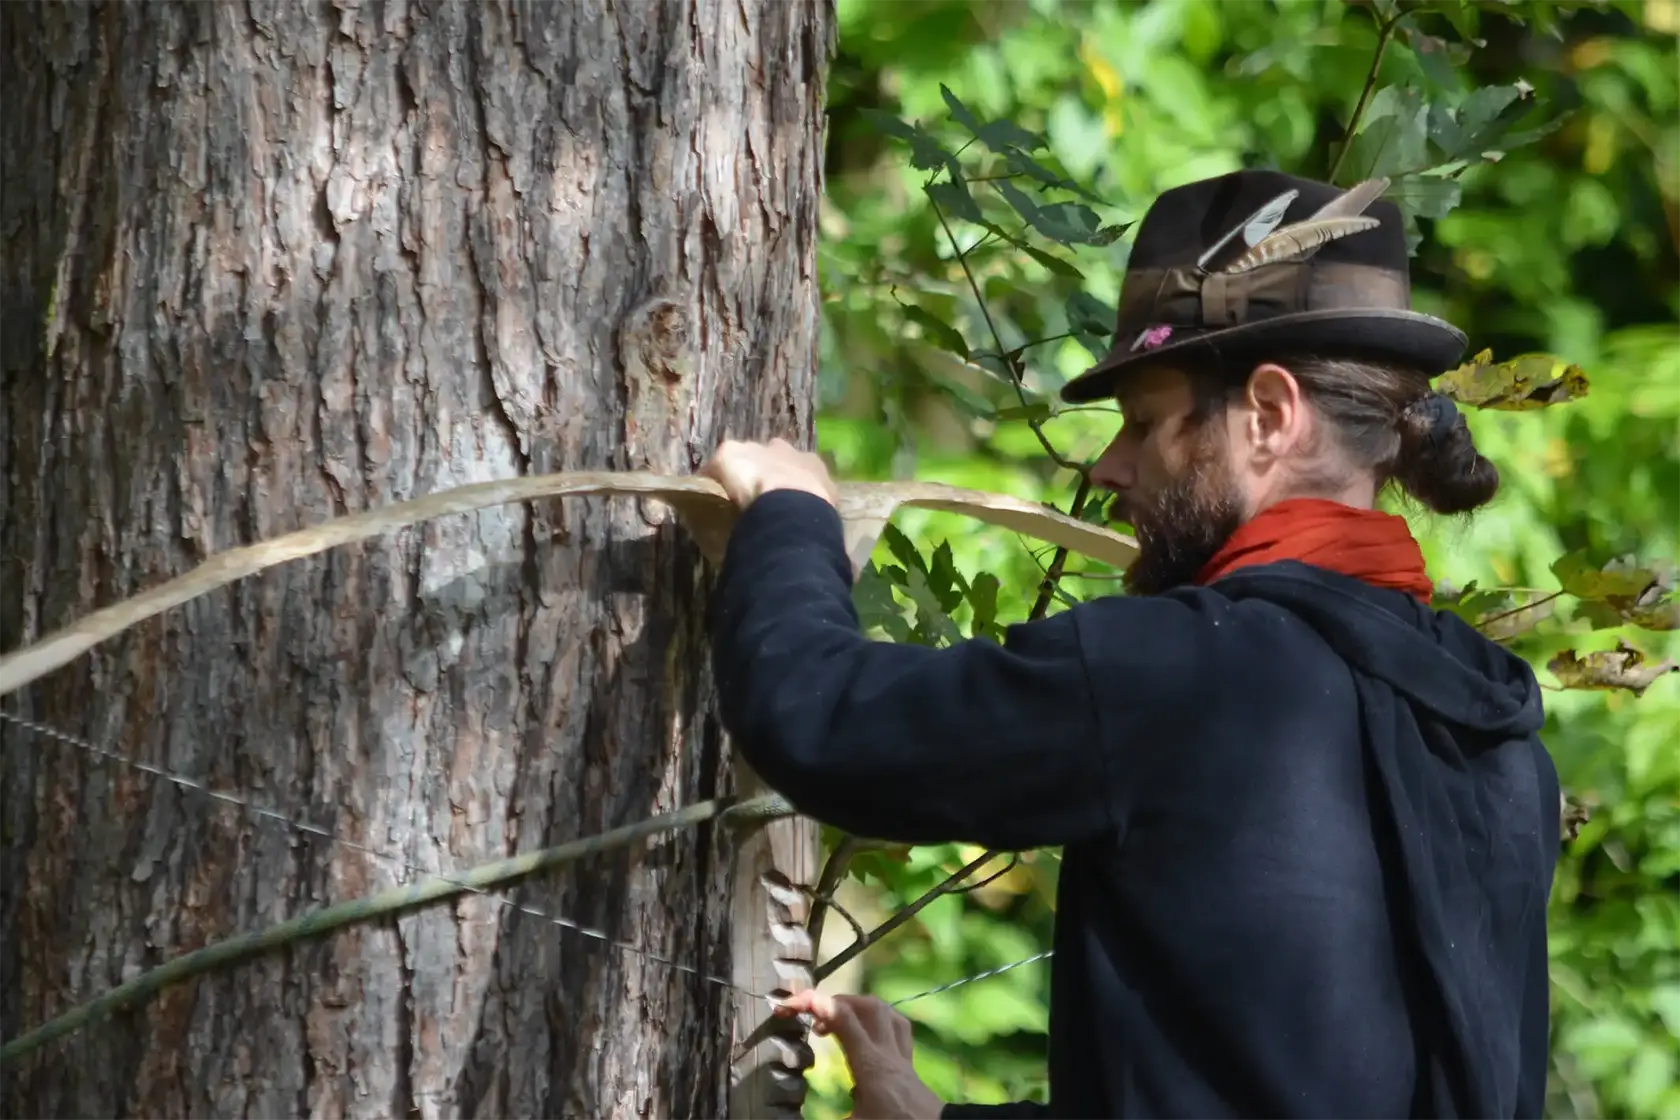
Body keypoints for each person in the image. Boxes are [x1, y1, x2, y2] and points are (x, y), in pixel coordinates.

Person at [700, 169, 1560, 1119]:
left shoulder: (1196, 673)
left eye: (1146, 421)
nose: (1109, 466)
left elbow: (821, 722)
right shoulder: (1502, 750)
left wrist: (787, 520)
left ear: (1268, 417)